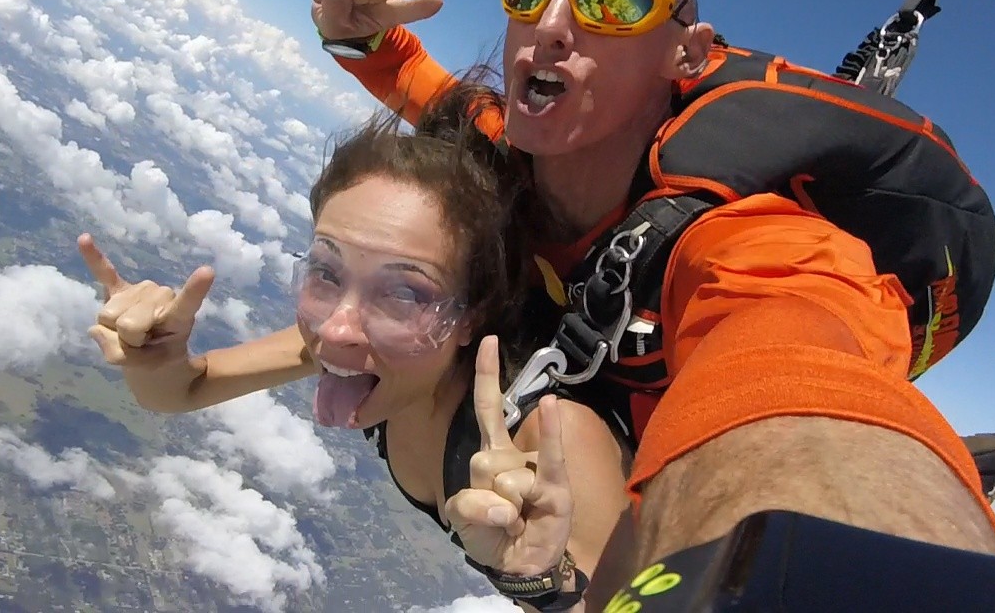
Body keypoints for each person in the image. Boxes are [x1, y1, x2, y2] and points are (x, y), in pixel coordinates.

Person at [305, 0, 995, 595]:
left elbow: (791, 358)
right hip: (640, 388)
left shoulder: (749, 240)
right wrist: (365, 38)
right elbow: (437, 97)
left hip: (720, 396)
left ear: (687, 52)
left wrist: (810, 561)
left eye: (608, 2)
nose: (552, 25)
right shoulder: (511, 148)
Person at [82, 83, 631, 608]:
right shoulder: (358, 353)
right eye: (325, 271)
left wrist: (542, 580)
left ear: (472, 318)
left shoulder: (553, 439)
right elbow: (181, 391)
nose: (339, 329)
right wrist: (157, 358)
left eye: (404, 293)